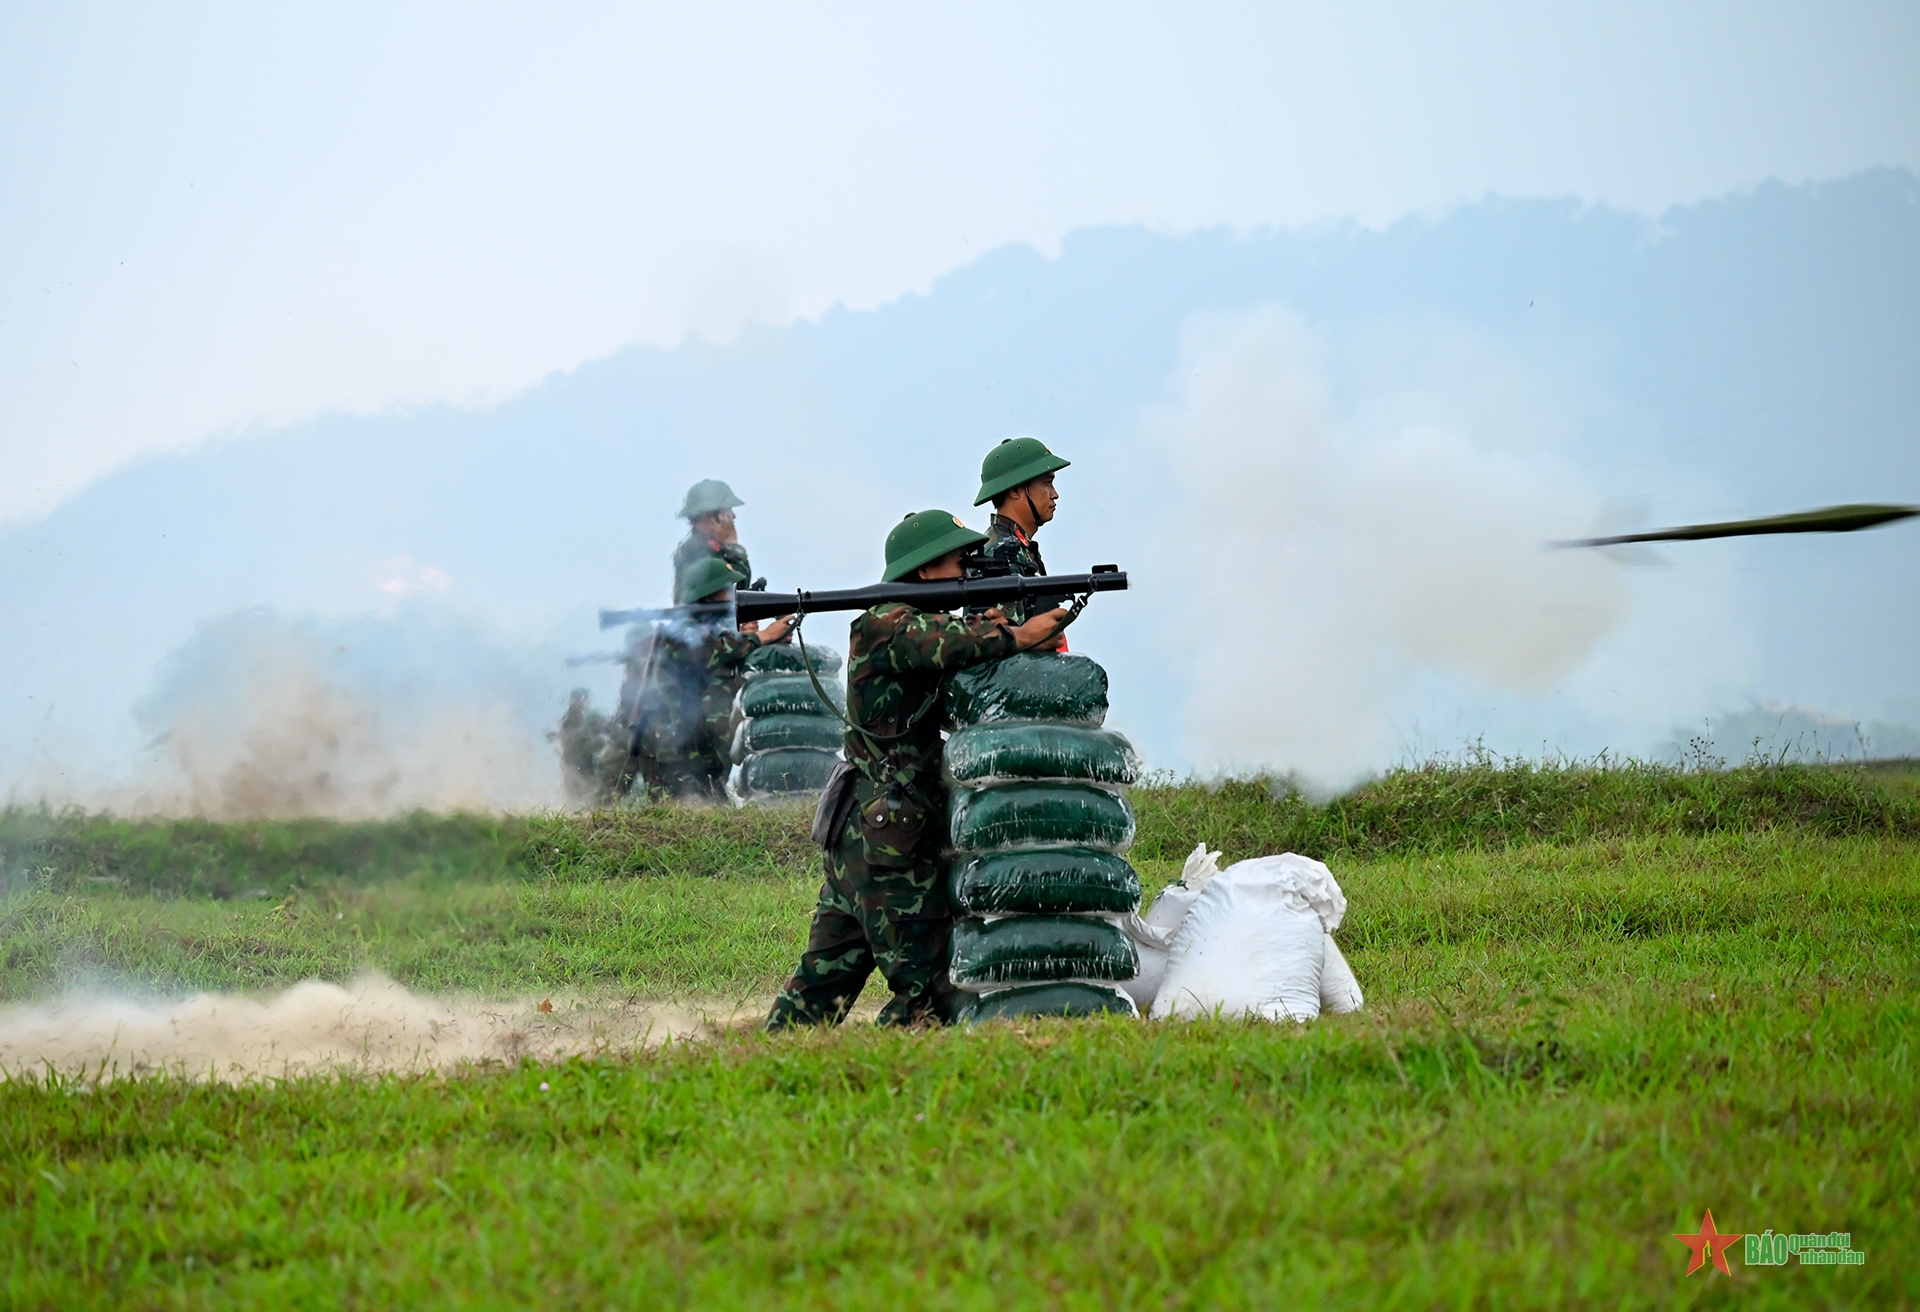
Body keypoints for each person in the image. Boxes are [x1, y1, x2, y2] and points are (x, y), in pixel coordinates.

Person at [766, 510, 1070, 1029]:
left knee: (823, 982)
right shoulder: (886, 623)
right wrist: (1018, 635)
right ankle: (901, 1069)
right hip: (887, 840)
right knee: (928, 993)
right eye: (958, 561)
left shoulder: (909, 622)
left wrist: (1002, 616)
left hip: (869, 831)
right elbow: (950, 641)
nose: (967, 570)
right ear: (926, 569)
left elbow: (954, 639)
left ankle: (770, 1056)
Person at [630, 554, 793, 801]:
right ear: (708, 595)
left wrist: (756, 638)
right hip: (669, 744)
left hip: (693, 742)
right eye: (725, 590)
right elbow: (712, 652)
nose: (731, 595)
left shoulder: (707, 628)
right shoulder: (679, 630)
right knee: (679, 808)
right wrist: (762, 637)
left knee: (711, 804)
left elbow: (726, 652)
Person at [972, 436, 1070, 635]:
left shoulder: (1017, 549)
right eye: (1047, 483)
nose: (1055, 494)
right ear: (1016, 489)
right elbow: (1000, 642)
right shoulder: (997, 556)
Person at [672, 478, 755, 597]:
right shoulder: (698, 554)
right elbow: (734, 592)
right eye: (727, 511)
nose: (733, 516)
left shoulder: (713, 549)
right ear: (713, 516)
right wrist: (733, 546)